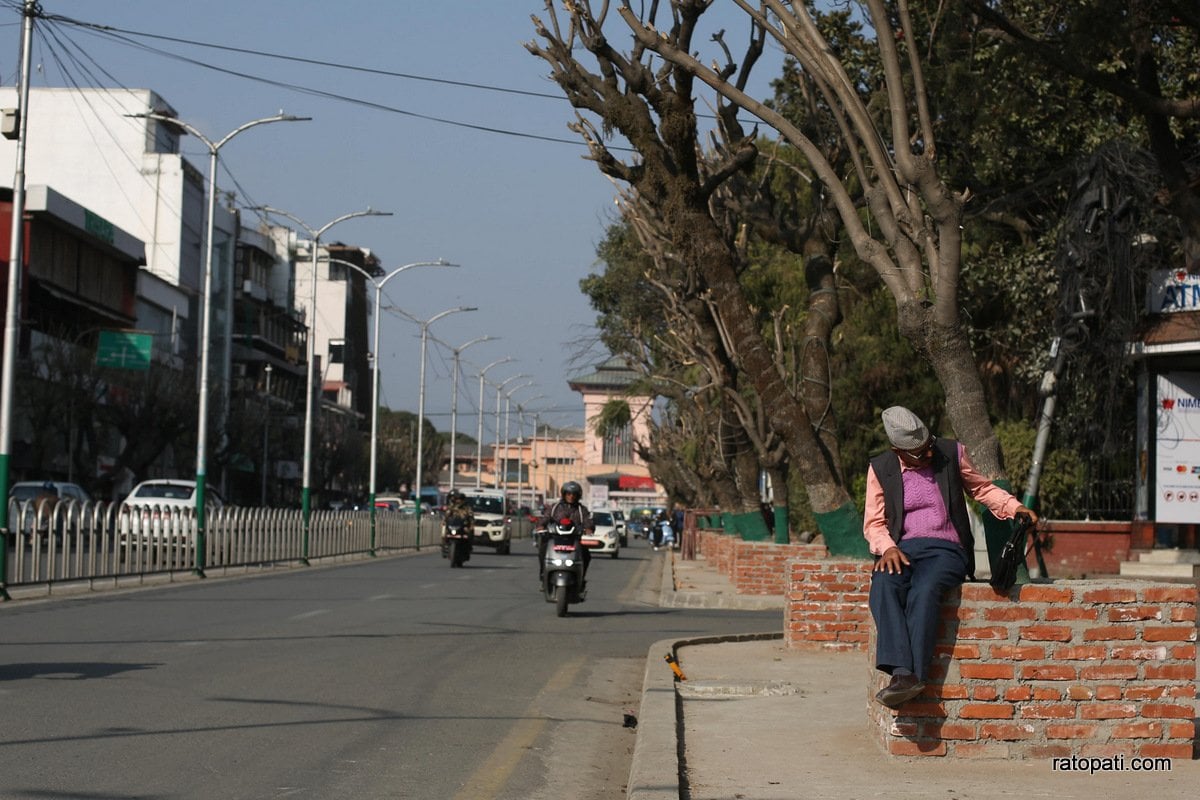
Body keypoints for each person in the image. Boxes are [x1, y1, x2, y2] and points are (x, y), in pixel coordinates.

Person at [864, 406, 1038, 709]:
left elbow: (981, 489)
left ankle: (910, 675)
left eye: (928, 446)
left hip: (946, 549)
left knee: (924, 589)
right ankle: (904, 675)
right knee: (883, 583)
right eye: (919, 454)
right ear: (897, 451)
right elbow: (874, 523)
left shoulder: (950, 452)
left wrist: (1014, 507)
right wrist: (888, 548)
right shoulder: (881, 469)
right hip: (902, 549)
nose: (929, 455)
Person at [537, 481, 594, 583]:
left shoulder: (581, 510)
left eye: (574, 494)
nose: (571, 496)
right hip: (555, 539)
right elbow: (545, 517)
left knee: (586, 554)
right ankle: (543, 573)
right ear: (564, 494)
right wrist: (541, 525)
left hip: (574, 540)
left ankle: (581, 578)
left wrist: (588, 528)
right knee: (543, 550)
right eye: (568, 494)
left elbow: (588, 521)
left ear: (578, 496)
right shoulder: (555, 507)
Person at [441, 490, 474, 559]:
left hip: (463, 526)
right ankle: (445, 547)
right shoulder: (452, 507)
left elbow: (471, 517)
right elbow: (447, 515)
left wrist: (471, 525)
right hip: (454, 525)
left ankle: (468, 548)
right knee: (445, 534)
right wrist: (444, 521)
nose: (459, 501)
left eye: (460, 499)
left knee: (469, 534)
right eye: (458, 499)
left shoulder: (467, 508)